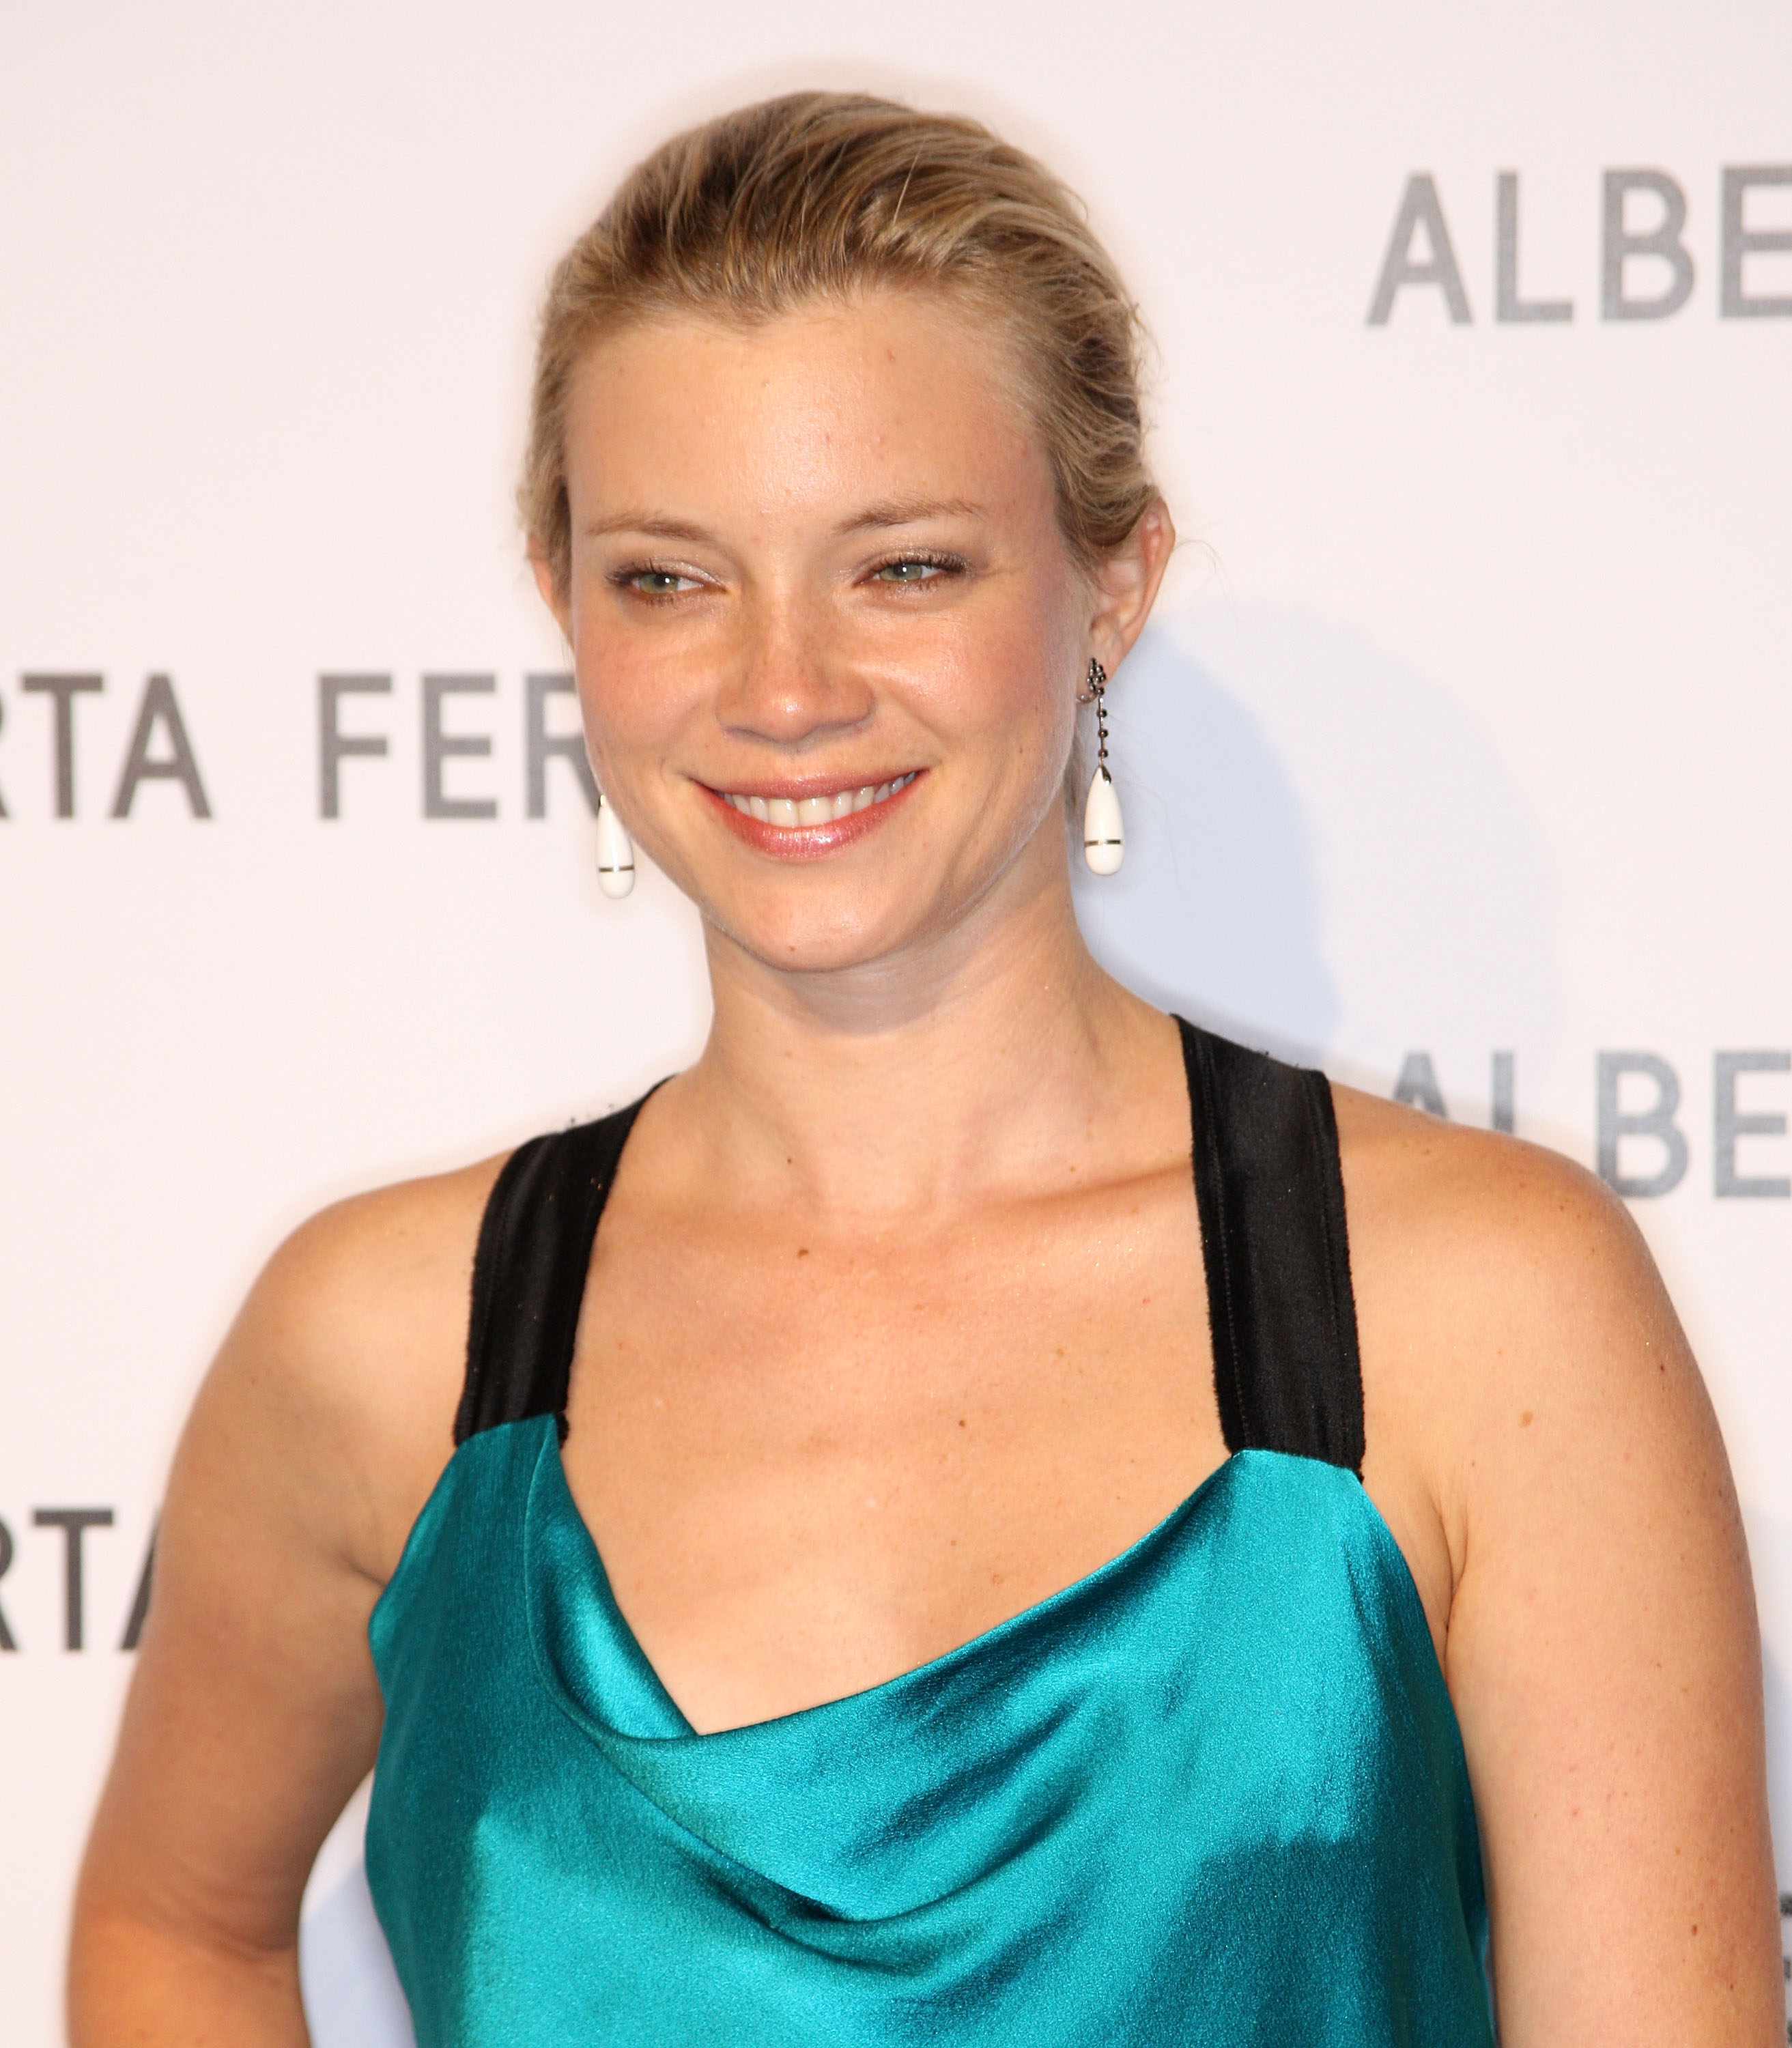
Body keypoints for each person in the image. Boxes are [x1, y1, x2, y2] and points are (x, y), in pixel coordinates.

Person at [70, 91, 1779, 2047]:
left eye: (903, 568)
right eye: (668, 579)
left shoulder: (1482, 1312)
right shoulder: (383, 1343)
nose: (785, 689)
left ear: (1111, 584)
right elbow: (175, 1928)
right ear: (560, 601)